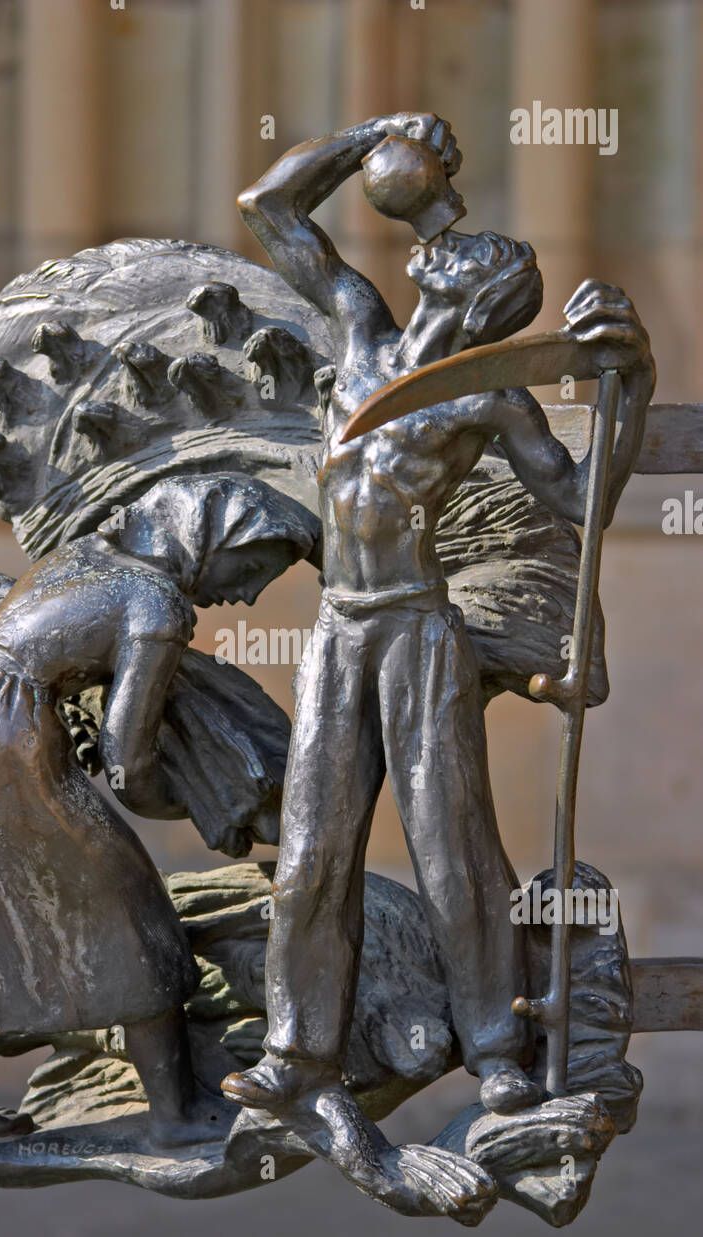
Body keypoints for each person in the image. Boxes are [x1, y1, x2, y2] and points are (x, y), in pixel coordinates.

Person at [221, 113, 654, 1116]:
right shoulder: (359, 327)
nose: (437, 258)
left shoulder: (489, 404)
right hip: (342, 629)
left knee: (453, 849)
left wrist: (632, 382)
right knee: (314, 850)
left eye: (460, 263)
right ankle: (298, 1049)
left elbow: (584, 500)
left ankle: (497, 1044)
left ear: (481, 299)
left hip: (419, 628)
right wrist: (371, 130)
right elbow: (268, 207)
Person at [0, 473, 319, 1145]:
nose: (245, 593)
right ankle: (176, 1115)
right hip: (7, 744)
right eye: (250, 569)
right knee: (129, 908)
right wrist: (198, 805)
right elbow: (129, 762)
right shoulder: (156, 607)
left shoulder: (91, 553)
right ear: (206, 540)